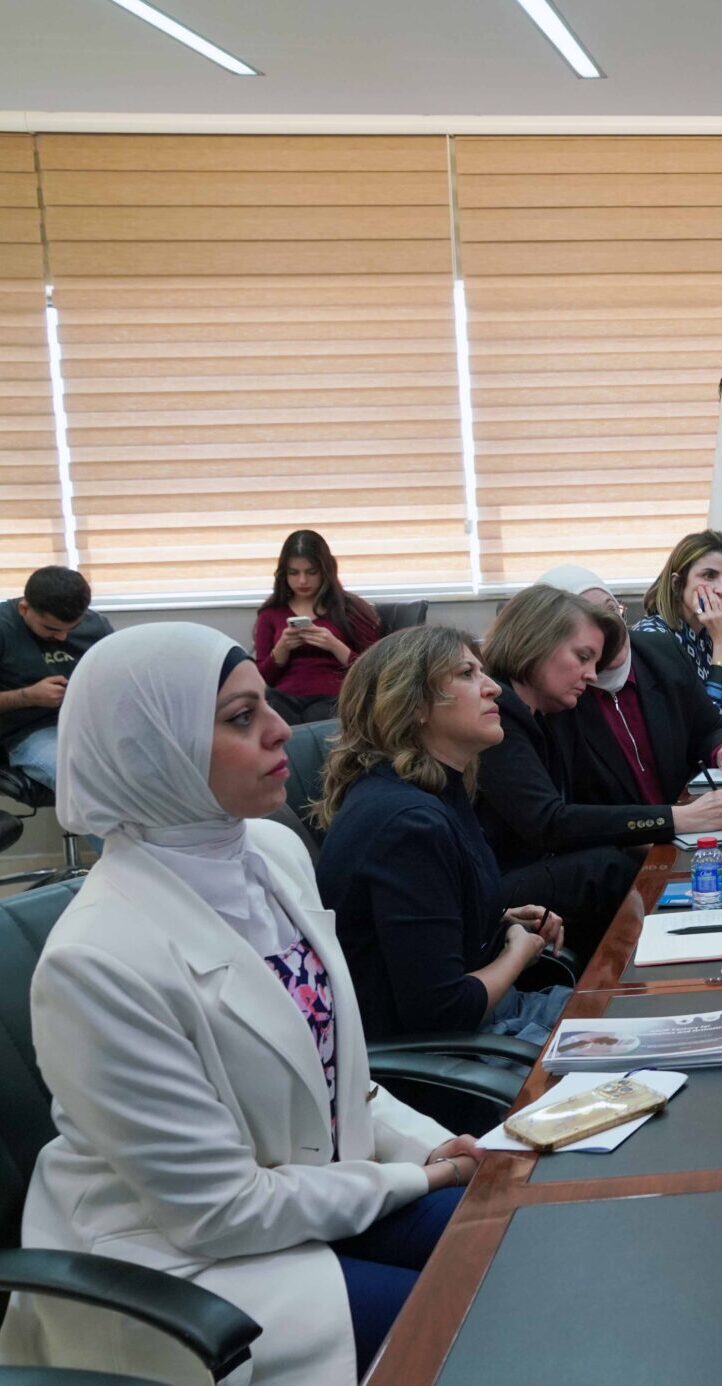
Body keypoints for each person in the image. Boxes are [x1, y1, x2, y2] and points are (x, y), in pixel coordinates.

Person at [0, 622, 478, 1385]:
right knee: (476, 1325)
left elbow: (337, 1080)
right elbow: (218, 1212)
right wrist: (416, 1180)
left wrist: (441, 1149)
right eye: (240, 717)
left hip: (310, 1192)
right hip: (186, 1264)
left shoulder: (273, 853)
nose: (281, 728)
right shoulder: (97, 961)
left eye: (265, 704)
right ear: (153, 750)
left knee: (516, 1236)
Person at [314, 627, 571, 1044]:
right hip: (458, 1053)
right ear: (414, 704)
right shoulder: (409, 824)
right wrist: (517, 952)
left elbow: (410, 944)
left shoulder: (430, 791)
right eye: (467, 674)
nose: (493, 688)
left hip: (491, 1024)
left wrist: (497, 921)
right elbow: (443, 1012)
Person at [477, 585, 722, 958]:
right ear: (537, 642)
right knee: (607, 869)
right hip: (491, 887)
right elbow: (549, 822)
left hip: (532, 870)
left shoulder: (544, 711)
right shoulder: (499, 712)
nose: (592, 675)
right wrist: (674, 818)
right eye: (583, 657)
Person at [553, 568, 722, 812]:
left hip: (692, 816)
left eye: (612, 610)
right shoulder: (560, 695)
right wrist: (670, 821)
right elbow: (570, 813)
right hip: (627, 832)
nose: (612, 627)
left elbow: (708, 728)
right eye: (592, 620)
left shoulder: (658, 652)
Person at [251, 529, 382, 724]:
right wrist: (281, 650)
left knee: (320, 719)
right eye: (294, 573)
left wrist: (334, 645)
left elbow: (374, 671)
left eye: (311, 572)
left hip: (332, 698)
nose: (302, 581)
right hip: (283, 699)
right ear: (284, 574)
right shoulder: (271, 613)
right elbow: (261, 679)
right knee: (271, 712)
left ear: (325, 571)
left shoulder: (350, 609)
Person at [0, 565, 111, 792]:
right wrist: (27, 696)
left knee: (155, 768)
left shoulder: (96, 625)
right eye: (51, 628)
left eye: (73, 628)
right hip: (29, 732)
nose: (62, 637)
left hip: (91, 725)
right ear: (24, 609)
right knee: (87, 784)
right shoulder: (4, 628)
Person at [633, 530, 722, 715]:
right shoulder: (652, 637)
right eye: (709, 576)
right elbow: (709, 720)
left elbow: (707, 702)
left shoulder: (710, 633)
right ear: (677, 584)